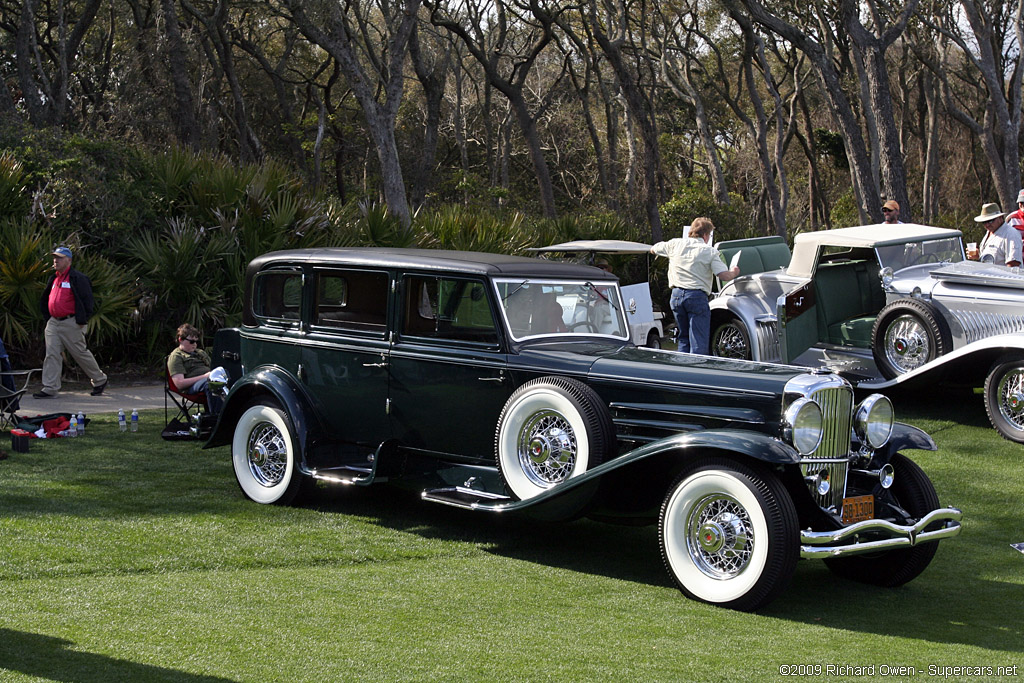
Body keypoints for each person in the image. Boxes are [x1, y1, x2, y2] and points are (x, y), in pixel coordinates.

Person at [651, 217, 740, 355]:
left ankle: (683, 371)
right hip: (696, 297)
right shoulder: (709, 251)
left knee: (683, 338)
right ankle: (698, 372)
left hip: (676, 296)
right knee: (698, 339)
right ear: (705, 235)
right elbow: (723, 275)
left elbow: (654, 249)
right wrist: (734, 272)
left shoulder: (675, 244)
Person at [34, 247, 107, 398]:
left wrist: (81, 320)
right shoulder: (53, 278)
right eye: (55, 257)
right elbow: (47, 298)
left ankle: (99, 380)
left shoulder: (77, 278)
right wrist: (48, 318)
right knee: (52, 354)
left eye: (60, 258)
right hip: (54, 323)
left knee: (80, 353)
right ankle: (50, 388)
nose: (56, 260)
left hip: (71, 322)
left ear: (69, 260)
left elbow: (88, 301)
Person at [167, 323, 222, 413]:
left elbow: (213, 368)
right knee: (211, 384)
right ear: (181, 340)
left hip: (209, 379)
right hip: (192, 387)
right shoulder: (176, 356)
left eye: (196, 341)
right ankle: (216, 417)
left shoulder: (200, 352)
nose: (195, 344)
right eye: (191, 342)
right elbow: (179, 383)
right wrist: (205, 376)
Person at [967, 203, 1022, 267]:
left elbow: (1013, 265)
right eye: (984, 222)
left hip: (1000, 276)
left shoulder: (1011, 234)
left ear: (1000, 218)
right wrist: (979, 255)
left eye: (990, 221)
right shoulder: (989, 232)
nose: (987, 225)